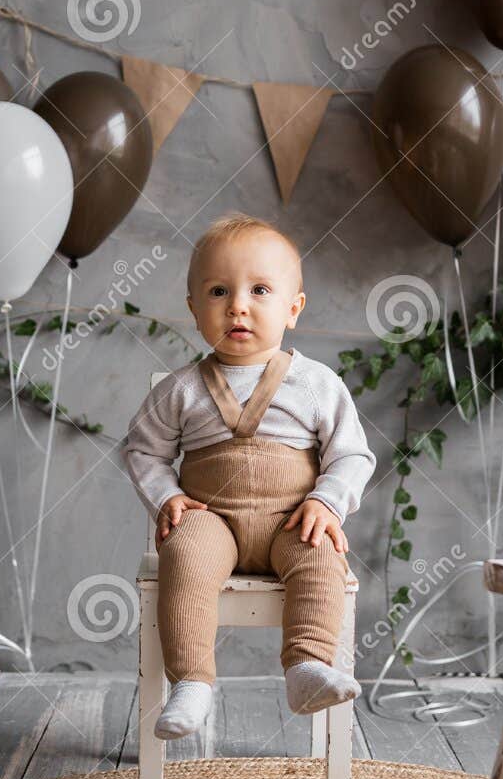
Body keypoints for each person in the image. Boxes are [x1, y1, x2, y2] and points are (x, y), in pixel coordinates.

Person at [123, 213, 375, 739]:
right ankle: (191, 682)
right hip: (212, 521)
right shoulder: (182, 388)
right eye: (218, 291)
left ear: (293, 308)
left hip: (292, 522)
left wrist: (327, 501)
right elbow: (142, 450)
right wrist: (166, 497)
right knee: (184, 555)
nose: (237, 304)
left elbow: (353, 455)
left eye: (260, 290)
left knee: (322, 554)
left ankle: (306, 666)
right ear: (194, 309)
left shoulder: (315, 383)